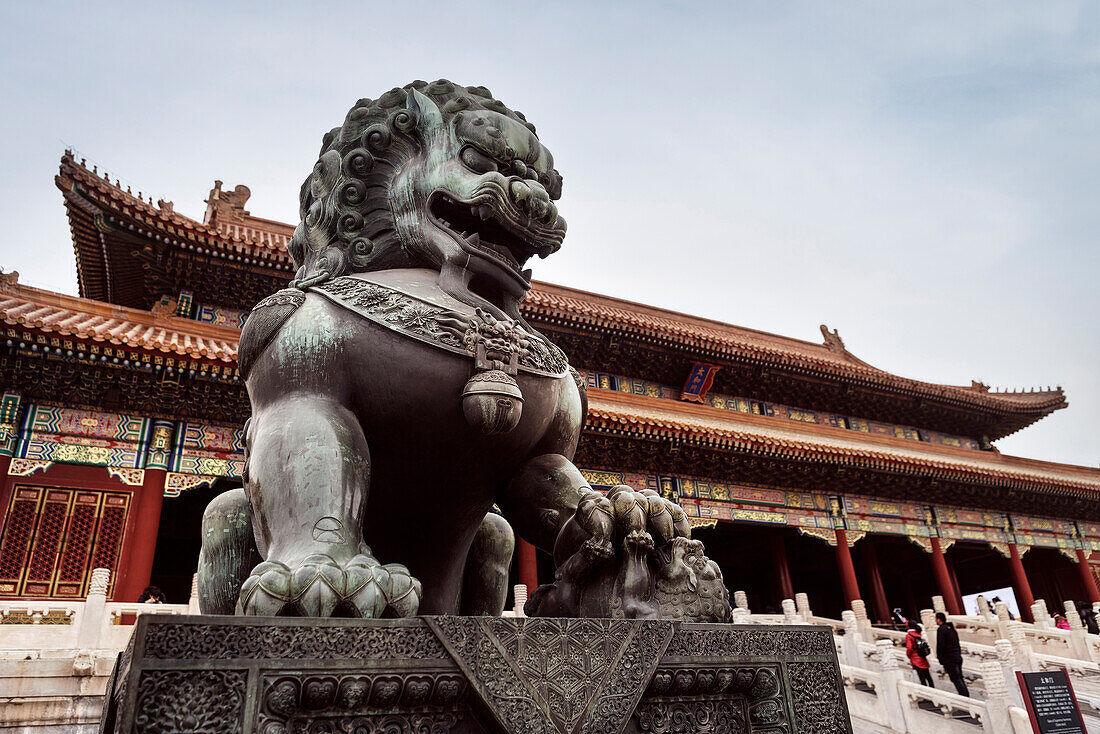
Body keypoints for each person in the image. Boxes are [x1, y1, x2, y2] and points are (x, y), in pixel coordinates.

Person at [935, 612, 969, 696]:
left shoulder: (941, 629)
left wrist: (940, 658)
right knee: (959, 678)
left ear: (939, 619)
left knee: (956, 679)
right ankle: (966, 695)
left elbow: (941, 645)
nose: (935, 620)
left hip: (949, 658)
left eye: (935, 619)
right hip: (957, 656)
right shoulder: (952, 629)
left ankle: (964, 697)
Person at [905, 620, 934, 687]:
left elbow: (909, 648)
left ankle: (926, 691)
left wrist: (908, 655)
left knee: (922, 677)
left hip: (915, 658)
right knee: (928, 675)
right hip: (922, 656)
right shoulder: (918, 633)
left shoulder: (909, 636)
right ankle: (932, 688)